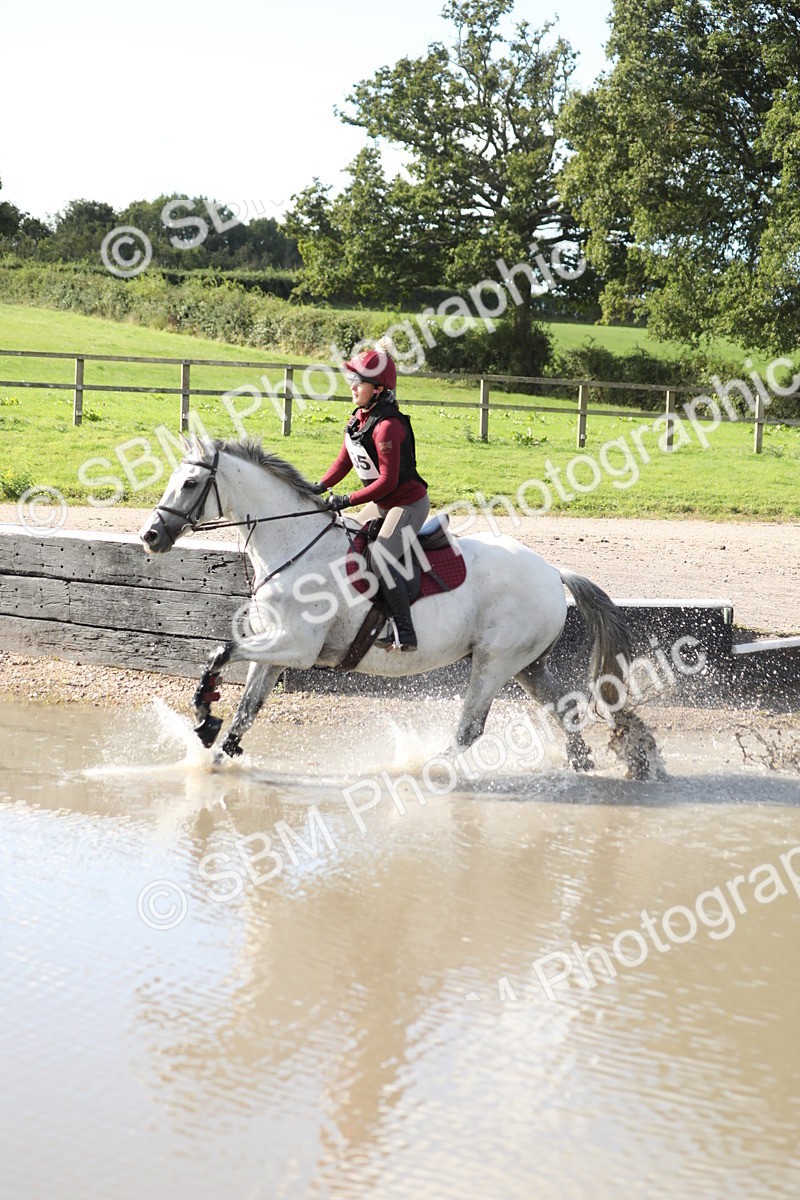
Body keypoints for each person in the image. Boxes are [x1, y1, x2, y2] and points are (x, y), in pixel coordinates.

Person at [314, 347, 429, 651]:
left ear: (378, 389)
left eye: (359, 381)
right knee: (343, 538)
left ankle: (404, 632)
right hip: (381, 503)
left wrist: (346, 499)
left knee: (380, 555)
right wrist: (320, 485)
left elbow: (387, 482)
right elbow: (343, 463)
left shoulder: (388, 426)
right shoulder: (358, 419)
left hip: (407, 505)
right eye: (352, 379)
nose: (352, 386)